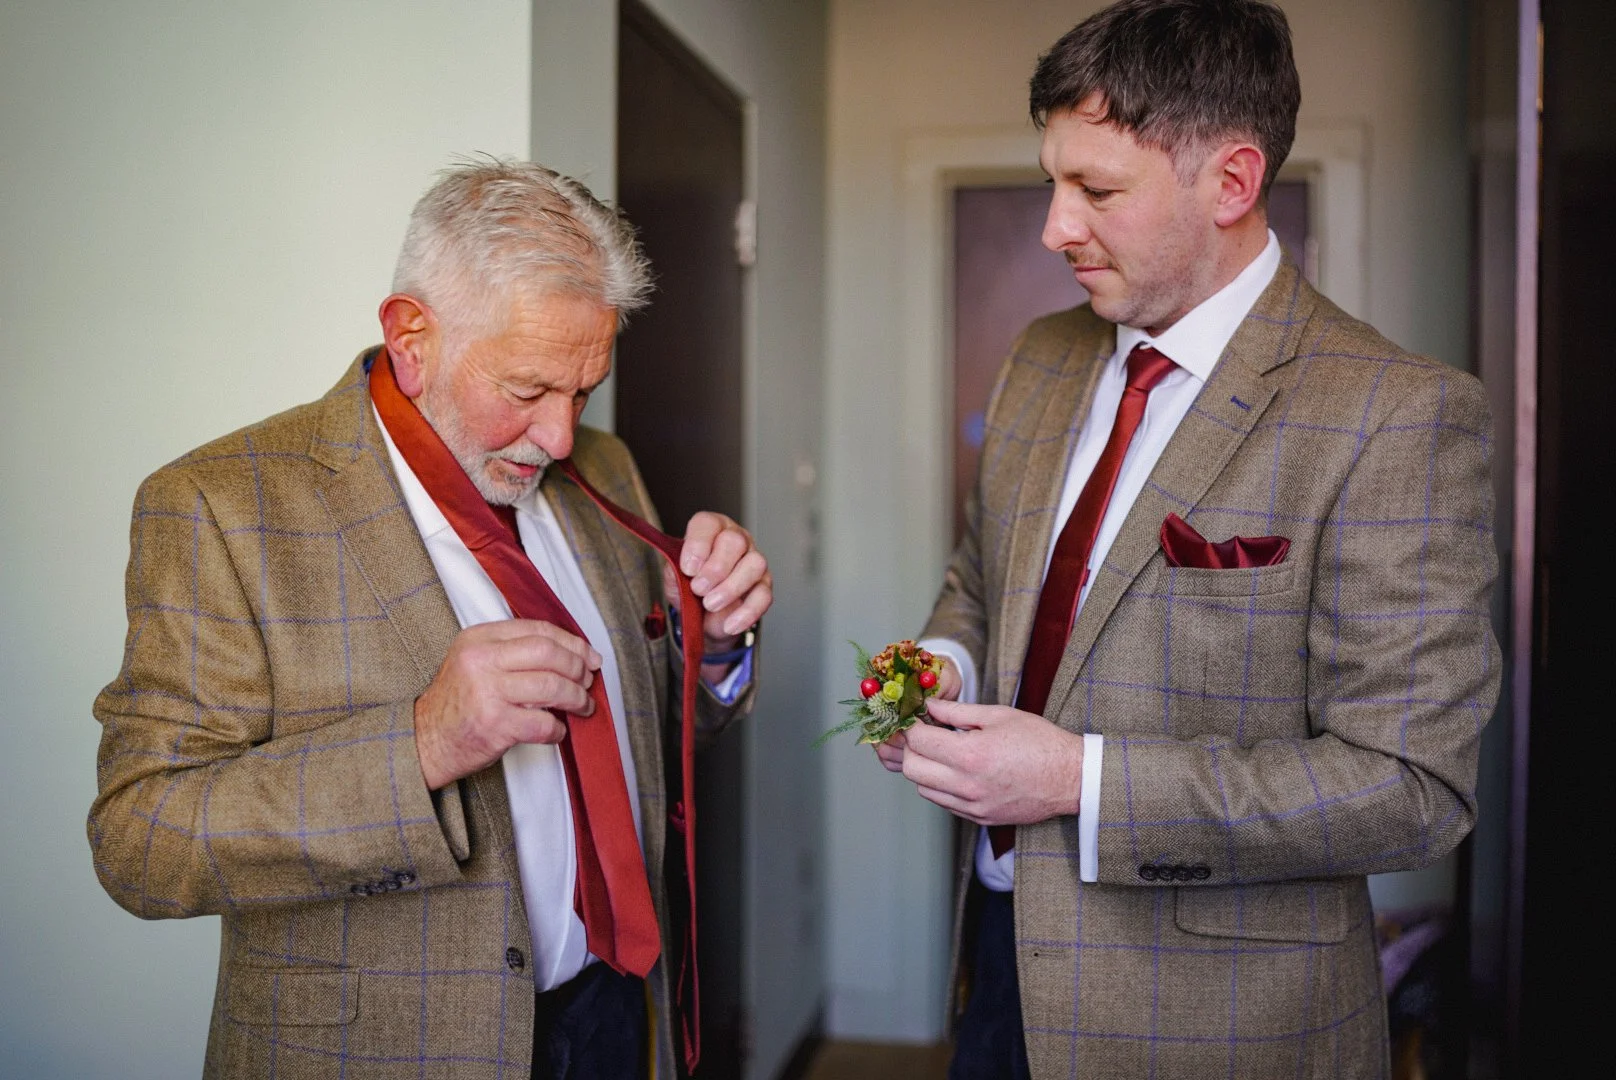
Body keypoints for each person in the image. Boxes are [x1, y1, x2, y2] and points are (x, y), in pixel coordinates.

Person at [876, 2, 1499, 1076]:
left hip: (1220, 1024)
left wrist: (1080, 781)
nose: (1053, 228)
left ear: (1231, 182)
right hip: (997, 964)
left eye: (1098, 191)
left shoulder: (1396, 415)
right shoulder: (1039, 359)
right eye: (1052, 183)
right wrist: (943, 667)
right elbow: (980, 581)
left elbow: (1408, 790)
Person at [88, 159, 772, 1079]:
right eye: (527, 391)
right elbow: (141, 841)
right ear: (412, 337)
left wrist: (712, 646)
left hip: (615, 1015)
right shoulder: (219, 506)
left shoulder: (605, 467)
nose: (560, 436)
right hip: (383, 1053)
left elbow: (645, 728)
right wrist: (422, 743)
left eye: (582, 392)